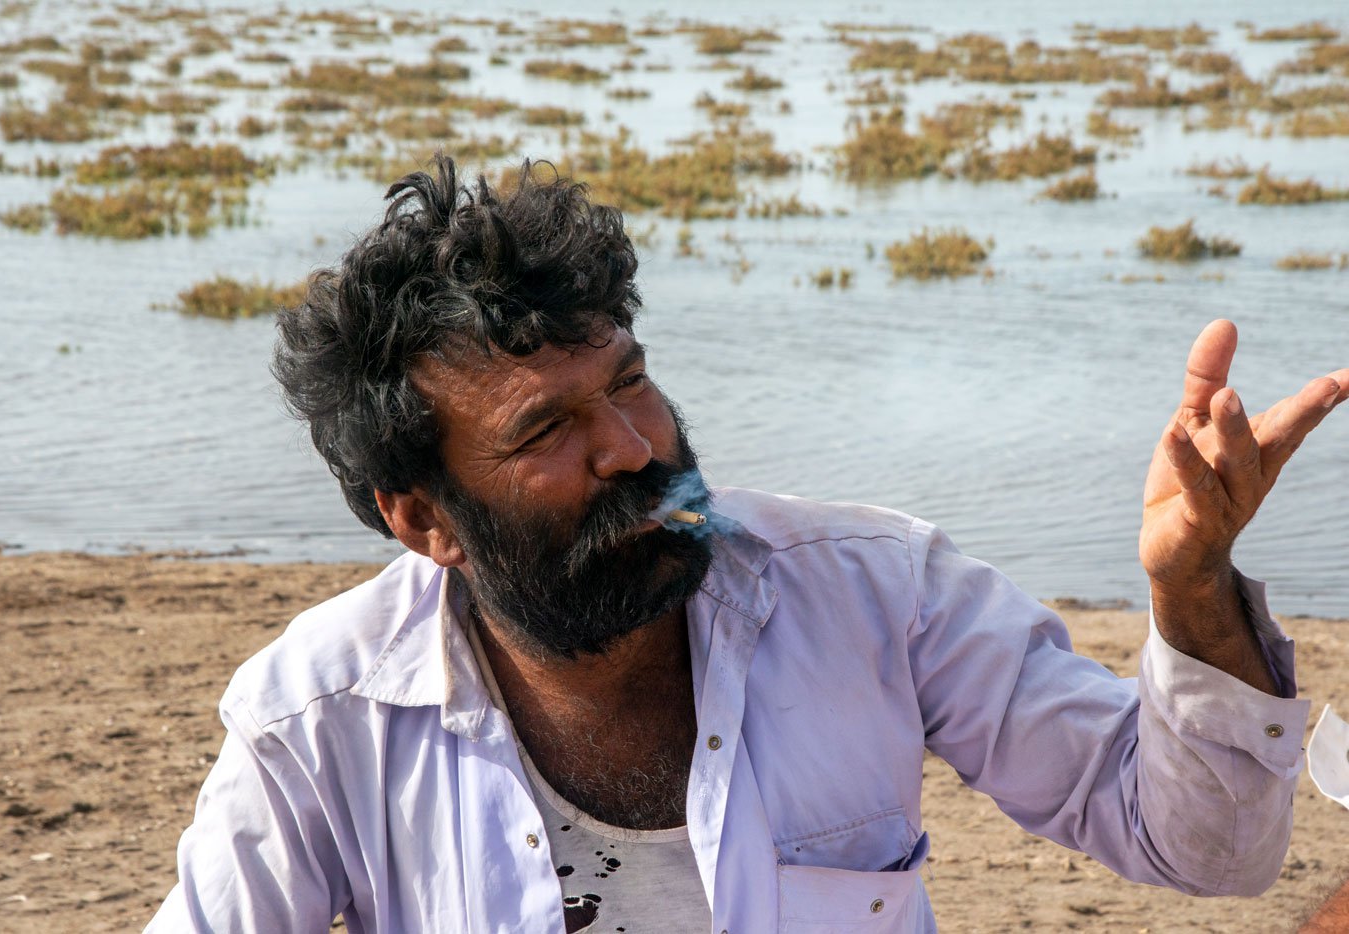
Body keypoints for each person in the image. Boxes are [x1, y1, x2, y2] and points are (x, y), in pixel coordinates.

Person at [147, 155, 1346, 933]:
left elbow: (1200, 846)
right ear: (420, 517)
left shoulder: (878, 593)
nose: (630, 445)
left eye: (629, 383)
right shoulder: (316, 718)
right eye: (546, 428)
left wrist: (1187, 587)